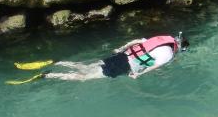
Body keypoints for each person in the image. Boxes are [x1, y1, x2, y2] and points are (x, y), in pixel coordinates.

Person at [42, 33, 189, 82]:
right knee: (84, 77)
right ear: (179, 48)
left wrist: (121, 48)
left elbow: (138, 41)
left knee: (87, 67)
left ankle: (59, 62)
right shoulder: (168, 54)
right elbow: (156, 66)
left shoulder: (161, 39)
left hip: (122, 55)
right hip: (125, 66)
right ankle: (50, 75)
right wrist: (139, 74)